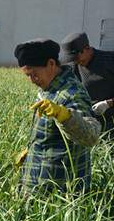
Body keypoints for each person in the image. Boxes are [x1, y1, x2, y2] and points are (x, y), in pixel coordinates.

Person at [14, 39, 101, 195]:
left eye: (34, 74)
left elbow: (91, 136)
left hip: (59, 190)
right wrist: (32, 151)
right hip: (40, 181)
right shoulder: (48, 89)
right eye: (27, 75)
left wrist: (65, 116)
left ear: (51, 64)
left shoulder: (72, 93)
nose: (32, 80)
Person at [60, 32, 114, 150]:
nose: (76, 62)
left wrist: (109, 103)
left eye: (77, 58)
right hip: (87, 119)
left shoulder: (113, 59)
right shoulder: (72, 66)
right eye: (72, 59)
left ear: (87, 49)